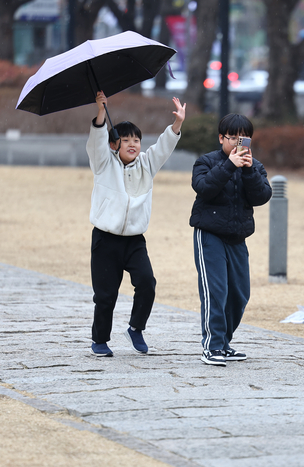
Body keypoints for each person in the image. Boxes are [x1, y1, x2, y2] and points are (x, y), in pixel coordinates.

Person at [87, 91, 185, 357]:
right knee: (105, 295)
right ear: (113, 144)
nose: (133, 144)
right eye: (126, 139)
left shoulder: (146, 165)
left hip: (134, 240)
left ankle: (135, 327)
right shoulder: (103, 164)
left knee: (147, 283)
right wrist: (100, 111)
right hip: (105, 239)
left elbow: (163, 147)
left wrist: (176, 124)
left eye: (137, 140)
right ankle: (99, 340)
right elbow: (96, 142)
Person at [190, 114, 272, 367]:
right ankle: (211, 347)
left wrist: (246, 170)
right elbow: (203, 188)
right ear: (221, 138)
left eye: (243, 137)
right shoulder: (205, 162)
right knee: (216, 292)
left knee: (239, 294)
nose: (238, 142)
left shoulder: (254, 166)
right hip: (210, 234)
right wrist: (229, 165)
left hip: (238, 238)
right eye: (232, 137)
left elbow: (262, 196)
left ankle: (224, 343)